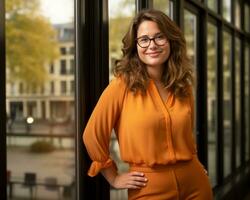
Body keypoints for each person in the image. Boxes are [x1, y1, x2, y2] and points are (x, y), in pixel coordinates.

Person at [83, 9, 213, 200]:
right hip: (148, 186)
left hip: (195, 184)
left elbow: (187, 135)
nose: (152, 45)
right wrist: (114, 178)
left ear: (171, 41)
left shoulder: (182, 86)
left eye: (159, 37)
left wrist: (197, 165)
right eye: (144, 39)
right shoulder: (121, 86)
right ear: (135, 46)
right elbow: (92, 135)